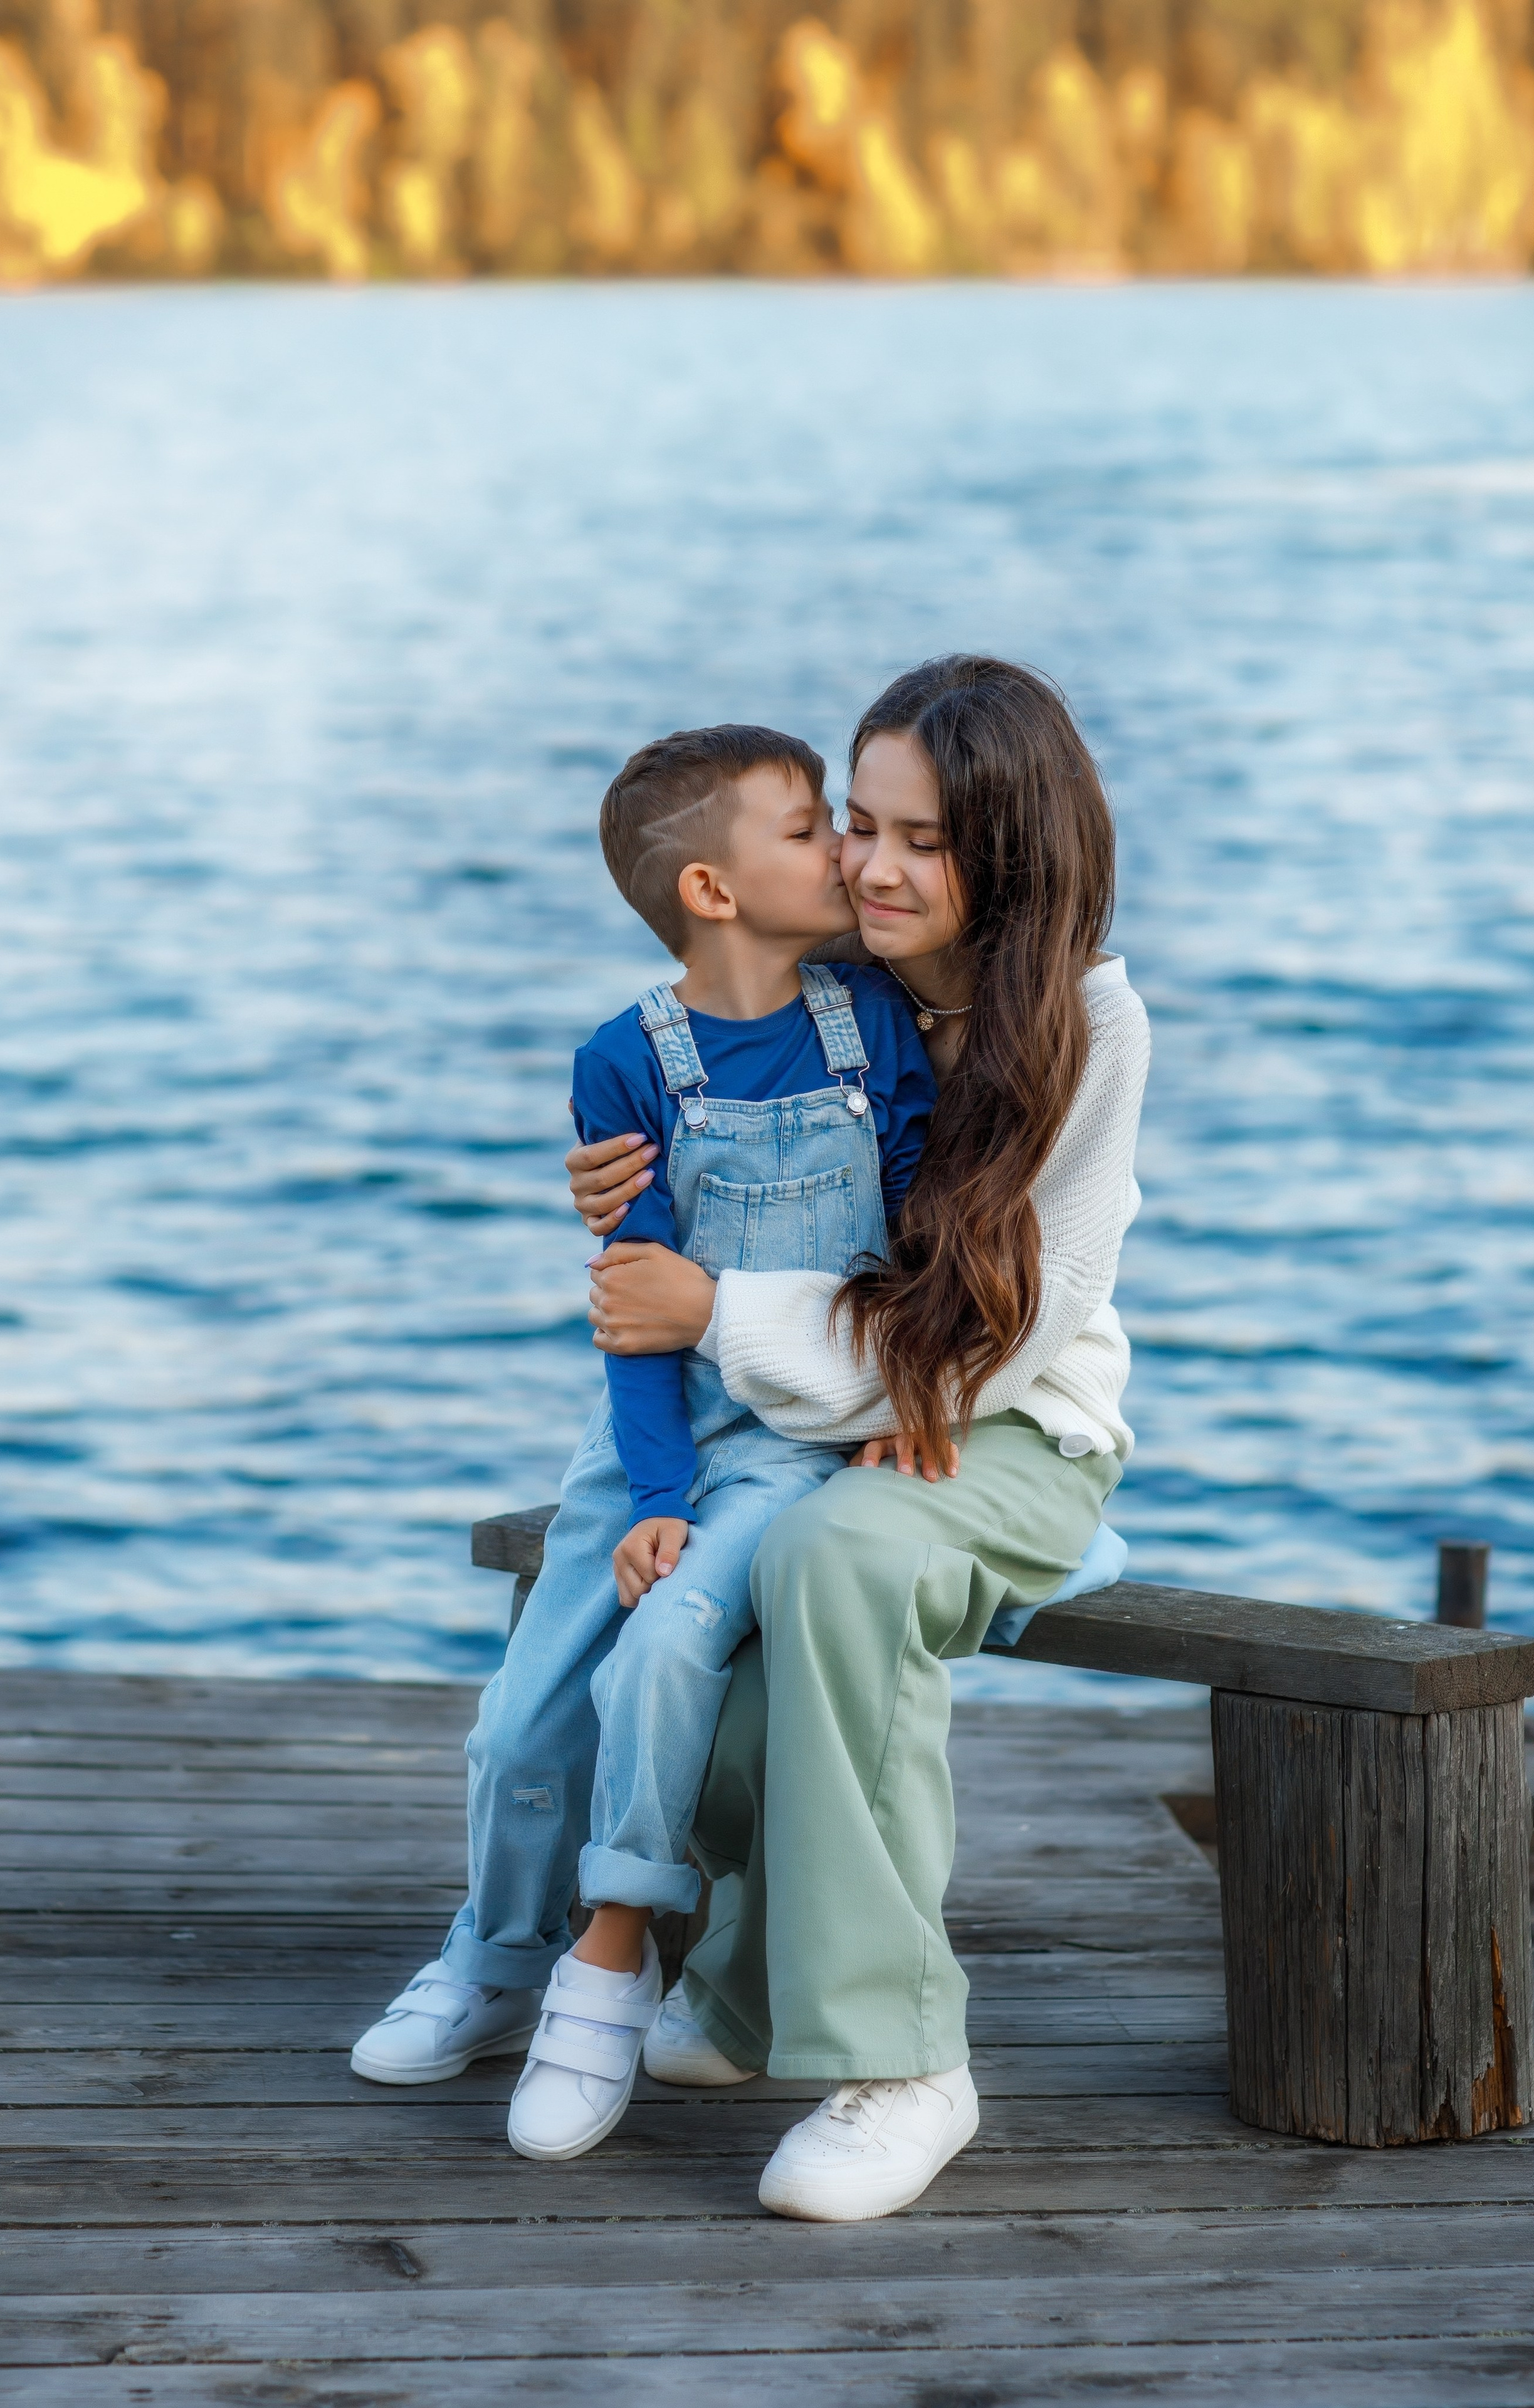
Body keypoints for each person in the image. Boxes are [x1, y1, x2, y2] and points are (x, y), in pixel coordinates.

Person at [570, 656, 1151, 2221]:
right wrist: (630, 1209)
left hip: (1009, 1425)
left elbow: (1020, 1324)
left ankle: (906, 2056)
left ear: (1017, 854)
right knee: (668, 1585)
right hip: (834, 1410)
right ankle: (741, 1985)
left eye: (927, 841)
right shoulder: (845, 988)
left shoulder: (1086, 1021)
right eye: (862, 825)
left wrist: (721, 1317)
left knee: (830, 1558)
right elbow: (691, 1166)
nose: (873, 868)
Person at [349, 722, 937, 2168]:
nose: (843, 855)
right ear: (711, 891)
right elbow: (631, 1308)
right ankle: (492, 1958)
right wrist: (654, 1492)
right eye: (808, 829)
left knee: (664, 1647)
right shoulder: (624, 1061)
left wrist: (903, 1405)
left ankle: (606, 1975)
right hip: (653, 1435)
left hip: (799, 1438)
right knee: (520, 1714)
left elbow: (923, 1243)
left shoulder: (877, 1024)